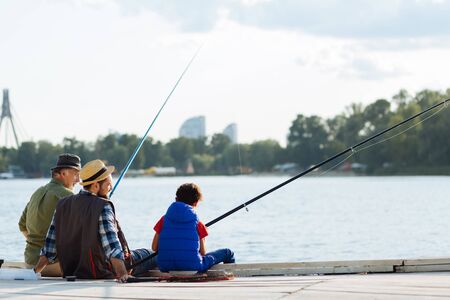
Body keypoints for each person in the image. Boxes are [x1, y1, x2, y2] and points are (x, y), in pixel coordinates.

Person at [34, 159, 157, 282]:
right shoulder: (103, 206)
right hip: (101, 271)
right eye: (108, 184)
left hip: (72, 272)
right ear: (96, 185)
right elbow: (112, 247)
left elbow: (49, 250)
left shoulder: (62, 205)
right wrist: (122, 274)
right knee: (154, 254)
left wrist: (34, 272)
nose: (111, 188)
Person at [18, 153, 81, 276]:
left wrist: (37, 244)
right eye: (76, 174)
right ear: (63, 173)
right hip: (51, 265)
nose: (79, 180)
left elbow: (22, 226)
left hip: (29, 261)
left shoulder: (37, 192)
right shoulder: (68, 196)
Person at [152, 183, 235, 273]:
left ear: (176, 199)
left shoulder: (163, 219)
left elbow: (154, 247)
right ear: (196, 202)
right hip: (192, 266)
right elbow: (203, 252)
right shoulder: (198, 223)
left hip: (165, 266)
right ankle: (230, 274)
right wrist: (203, 233)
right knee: (228, 253)